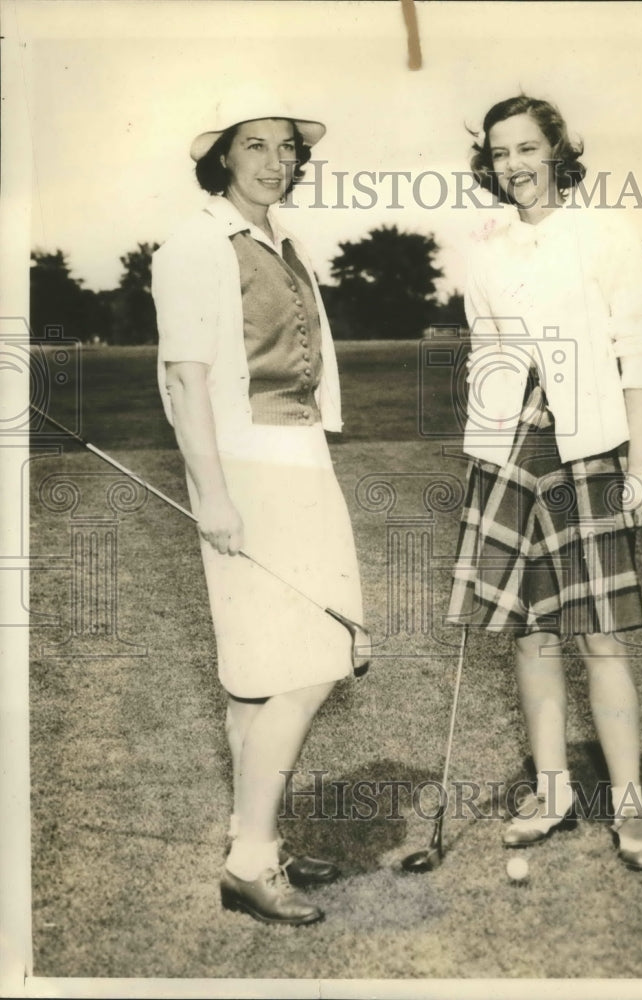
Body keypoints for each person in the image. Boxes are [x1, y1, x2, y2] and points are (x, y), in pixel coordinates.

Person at [152, 89, 364, 924]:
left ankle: (256, 841)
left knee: (253, 680)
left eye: (288, 148)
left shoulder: (283, 241)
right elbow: (185, 379)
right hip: (245, 469)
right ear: (223, 159)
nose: (278, 162)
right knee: (315, 663)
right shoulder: (195, 245)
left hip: (300, 455)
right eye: (256, 146)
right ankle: (249, 863)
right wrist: (212, 496)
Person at [447, 94, 642, 870]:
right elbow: (485, 350)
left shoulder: (605, 233)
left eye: (527, 148)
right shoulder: (487, 246)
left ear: (556, 151)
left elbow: (636, 350)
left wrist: (641, 464)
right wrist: (488, 439)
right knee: (532, 632)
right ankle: (552, 792)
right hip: (511, 453)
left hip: (589, 451)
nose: (514, 165)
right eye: (500, 152)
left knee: (600, 633)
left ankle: (630, 808)